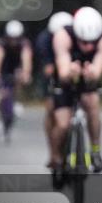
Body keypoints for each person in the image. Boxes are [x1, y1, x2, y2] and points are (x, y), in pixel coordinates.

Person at [50, 6, 102, 182]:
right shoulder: (62, 36)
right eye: (83, 42)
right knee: (62, 124)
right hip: (65, 82)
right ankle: (56, 157)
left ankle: (95, 150)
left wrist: (92, 72)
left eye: (92, 42)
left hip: (88, 81)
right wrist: (70, 71)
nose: (88, 47)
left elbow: (99, 65)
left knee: (92, 105)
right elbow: (62, 68)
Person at [36, 11, 73, 167]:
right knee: (51, 108)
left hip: (71, 75)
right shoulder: (44, 40)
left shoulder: (75, 37)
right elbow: (47, 68)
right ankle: (53, 151)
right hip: (53, 78)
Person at [0, 20, 33, 141]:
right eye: (11, 38)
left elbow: (26, 59)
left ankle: (18, 101)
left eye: (16, 38)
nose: (14, 41)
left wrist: (26, 73)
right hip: (4, 68)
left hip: (16, 68)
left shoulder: (24, 44)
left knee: (20, 77)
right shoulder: (1, 44)